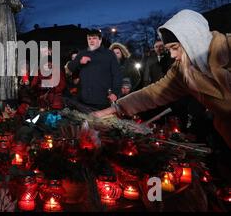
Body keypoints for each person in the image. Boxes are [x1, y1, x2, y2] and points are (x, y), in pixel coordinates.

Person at [93, 10, 231, 150]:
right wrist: (116, 108)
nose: (172, 55)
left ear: (192, 41)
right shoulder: (182, 70)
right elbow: (154, 93)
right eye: (168, 49)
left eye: (175, 47)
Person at [67, 29, 122, 111]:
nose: (91, 41)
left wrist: (115, 93)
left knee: (100, 123)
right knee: (83, 122)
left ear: (100, 40)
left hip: (102, 100)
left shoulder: (109, 54)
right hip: (83, 99)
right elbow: (70, 67)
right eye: (89, 39)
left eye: (94, 38)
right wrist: (79, 61)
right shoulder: (82, 53)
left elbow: (117, 75)